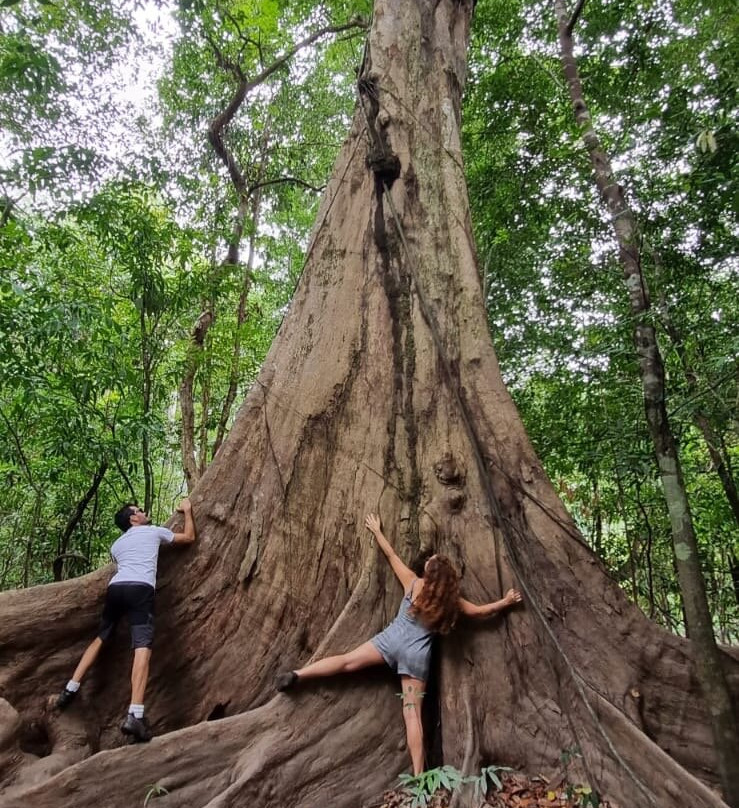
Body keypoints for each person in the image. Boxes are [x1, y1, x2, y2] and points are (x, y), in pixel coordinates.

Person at [275, 512, 522, 775]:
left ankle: (298, 675)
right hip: (417, 656)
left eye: (430, 563)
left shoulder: (414, 585)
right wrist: (505, 602)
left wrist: (378, 531)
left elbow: (392, 557)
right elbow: (479, 612)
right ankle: (418, 777)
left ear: (430, 574)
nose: (426, 562)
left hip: (391, 640)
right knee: (411, 713)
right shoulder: (451, 602)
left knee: (346, 662)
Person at [53, 498, 196, 742]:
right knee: (142, 646)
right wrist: (188, 511)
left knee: (101, 636)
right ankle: (135, 714)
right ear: (133, 519)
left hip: (116, 589)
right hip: (140, 589)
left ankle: (70, 688)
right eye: (139, 511)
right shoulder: (152, 532)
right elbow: (189, 537)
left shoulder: (117, 545)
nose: (144, 512)